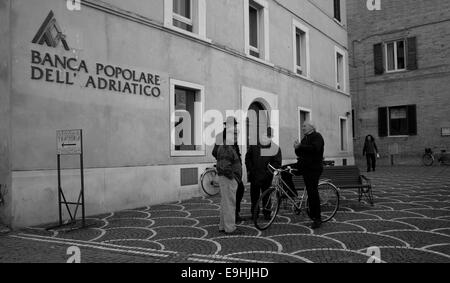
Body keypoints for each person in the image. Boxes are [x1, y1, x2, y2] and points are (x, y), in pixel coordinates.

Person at [212, 119, 245, 222]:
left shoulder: (232, 136)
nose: (235, 127)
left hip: (234, 170)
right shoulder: (221, 137)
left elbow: (237, 151)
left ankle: (235, 212)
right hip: (228, 171)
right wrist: (224, 159)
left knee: (240, 190)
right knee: (232, 195)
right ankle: (232, 216)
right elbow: (215, 152)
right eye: (234, 125)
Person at [245, 127, 282, 220]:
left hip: (267, 177)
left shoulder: (275, 148)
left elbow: (277, 163)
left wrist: (267, 172)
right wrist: (251, 169)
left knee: (266, 197)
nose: (267, 137)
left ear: (271, 137)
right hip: (255, 176)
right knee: (254, 197)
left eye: (269, 136)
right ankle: (254, 214)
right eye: (265, 135)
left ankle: (267, 214)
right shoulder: (254, 146)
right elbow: (247, 158)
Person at [294, 121, 324, 229]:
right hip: (304, 167)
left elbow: (314, 149)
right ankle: (292, 194)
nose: (302, 128)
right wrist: (297, 148)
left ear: (311, 127)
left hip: (314, 169)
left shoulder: (317, 136)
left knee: (312, 193)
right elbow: (300, 153)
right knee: (284, 172)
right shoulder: (305, 138)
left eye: (304, 126)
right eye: (302, 126)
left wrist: (300, 146)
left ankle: (317, 218)